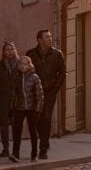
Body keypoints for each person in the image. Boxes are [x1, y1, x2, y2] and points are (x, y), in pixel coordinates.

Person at [27, 29, 65, 160]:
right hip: (35, 91)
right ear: (39, 40)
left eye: (50, 36)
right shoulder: (31, 54)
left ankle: (43, 147)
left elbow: (62, 73)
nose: (50, 39)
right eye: (47, 37)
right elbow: (27, 71)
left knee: (47, 116)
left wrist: (55, 88)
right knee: (37, 117)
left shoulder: (56, 54)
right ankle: (45, 140)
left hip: (49, 91)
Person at [9, 55, 44, 163]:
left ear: (29, 66)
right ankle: (15, 154)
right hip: (19, 107)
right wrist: (12, 107)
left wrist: (38, 110)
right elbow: (14, 94)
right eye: (21, 64)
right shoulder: (17, 77)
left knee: (32, 131)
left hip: (32, 108)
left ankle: (34, 154)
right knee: (17, 130)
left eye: (25, 64)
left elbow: (39, 96)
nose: (23, 66)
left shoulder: (34, 77)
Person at [0, 41, 19, 158]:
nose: (9, 52)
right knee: (4, 124)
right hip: (2, 98)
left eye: (11, 49)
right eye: (7, 49)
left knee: (16, 124)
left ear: (15, 50)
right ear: (3, 52)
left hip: (16, 99)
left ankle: (15, 150)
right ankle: (5, 148)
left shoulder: (20, 64)